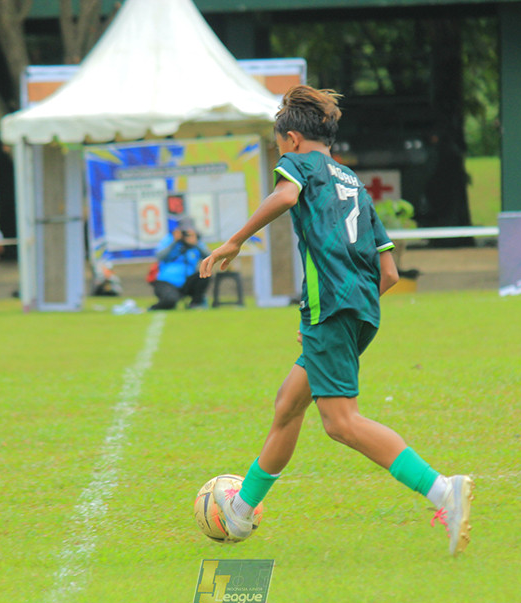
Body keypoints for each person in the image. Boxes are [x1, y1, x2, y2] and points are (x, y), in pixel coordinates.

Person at [199, 86, 474, 556]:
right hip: (360, 309)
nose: (281, 157)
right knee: (288, 404)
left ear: (291, 140)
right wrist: (350, 307)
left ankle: (443, 491)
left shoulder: (301, 166)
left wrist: (236, 240)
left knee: (341, 423)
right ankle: (241, 511)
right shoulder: (354, 184)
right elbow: (389, 272)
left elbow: (286, 196)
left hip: (330, 308)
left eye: (279, 148)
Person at [149, 218, 211, 310]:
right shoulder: (169, 239)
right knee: (170, 301)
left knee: (205, 275)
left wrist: (195, 244)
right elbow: (159, 256)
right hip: (167, 282)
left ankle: (196, 303)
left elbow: (209, 257)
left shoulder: (195, 241)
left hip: (187, 282)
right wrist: (174, 241)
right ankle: (153, 308)